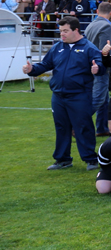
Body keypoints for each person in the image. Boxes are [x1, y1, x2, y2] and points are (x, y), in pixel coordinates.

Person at [25, 15, 103, 171]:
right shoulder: (57, 47)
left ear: (76, 30)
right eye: (60, 31)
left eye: (65, 31)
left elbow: (100, 65)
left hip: (80, 95)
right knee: (61, 127)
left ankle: (91, 159)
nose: (62, 34)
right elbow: (46, 64)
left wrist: (97, 68)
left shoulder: (89, 48)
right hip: (58, 96)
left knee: (83, 127)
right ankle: (62, 160)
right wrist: (32, 69)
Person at [83, 1, 111, 136]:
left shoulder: (91, 25)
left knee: (104, 99)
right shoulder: (106, 26)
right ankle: (77, 122)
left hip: (90, 64)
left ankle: (102, 128)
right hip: (100, 66)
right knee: (98, 98)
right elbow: (104, 49)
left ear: (97, 11)